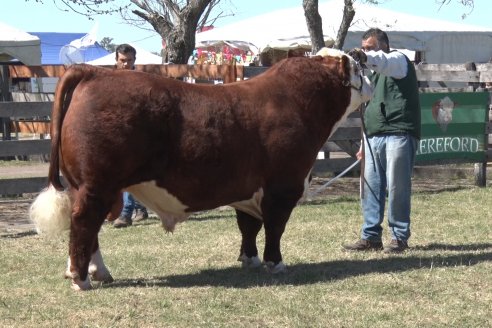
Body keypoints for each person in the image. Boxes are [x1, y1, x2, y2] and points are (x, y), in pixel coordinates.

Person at [342, 28, 421, 253]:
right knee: (371, 188)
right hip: (373, 135)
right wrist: (363, 143)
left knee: (397, 187)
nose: (366, 53)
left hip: (399, 131)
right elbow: (367, 109)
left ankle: (398, 237)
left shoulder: (398, 60)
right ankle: (371, 237)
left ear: (384, 46)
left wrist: (365, 57)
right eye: (364, 49)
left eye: (370, 48)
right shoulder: (370, 75)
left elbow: (383, 62)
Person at [111, 44, 150, 228]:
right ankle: (141, 209)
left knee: (130, 175)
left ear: (135, 60)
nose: (126, 64)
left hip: (138, 134)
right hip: (118, 134)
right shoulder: (110, 81)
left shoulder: (140, 80)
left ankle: (125, 214)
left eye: (130, 61)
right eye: (122, 61)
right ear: (116, 60)